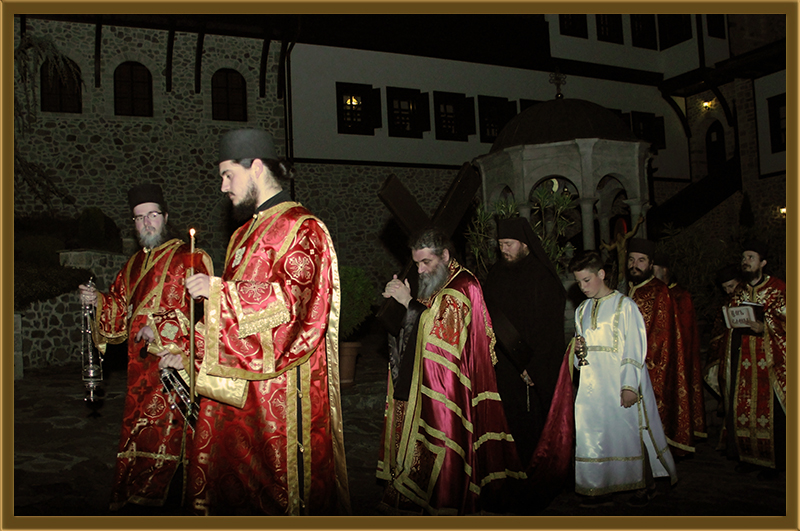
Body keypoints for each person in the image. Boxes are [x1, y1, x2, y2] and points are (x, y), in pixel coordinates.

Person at [161, 128, 350, 515]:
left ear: (257, 167)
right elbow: (226, 322)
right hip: (235, 397)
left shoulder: (303, 228)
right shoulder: (242, 236)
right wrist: (189, 352)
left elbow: (295, 308)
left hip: (279, 403)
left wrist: (219, 292)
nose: (223, 187)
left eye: (228, 175)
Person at [78, 183, 213, 513]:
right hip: (140, 374)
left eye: (152, 215)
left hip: (176, 369)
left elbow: (208, 314)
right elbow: (118, 312)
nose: (146, 223)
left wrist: (163, 332)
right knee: (141, 437)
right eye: (139, 218)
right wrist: (97, 300)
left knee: (176, 445)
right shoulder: (133, 265)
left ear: (165, 217)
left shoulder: (189, 257)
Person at [377, 228, 524, 515]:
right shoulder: (442, 279)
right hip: (436, 380)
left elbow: (440, 340)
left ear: (444, 255)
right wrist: (402, 306)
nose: (420, 270)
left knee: (444, 441)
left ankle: (447, 497)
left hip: (450, 387)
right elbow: (426, 317)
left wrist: (408, 303)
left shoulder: (461, 286)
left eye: (426, 262)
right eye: (417, 263)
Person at [569, 251, 677, 508]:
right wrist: (577, 353)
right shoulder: (582, 309)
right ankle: (600, 486)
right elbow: (580, 352)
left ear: (601, 274)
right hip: (593, 388)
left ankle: (645, 485)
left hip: (619, 382)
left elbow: (634, 348)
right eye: (579, 282)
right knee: (597, 436)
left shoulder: (625, 306)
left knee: (629, 432)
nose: (583, 287)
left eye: (587, 280)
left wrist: (629, 386)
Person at [483, 217, 566, 464]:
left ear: (525, 244)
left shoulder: (542, 277)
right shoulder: (496, 274)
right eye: (500, 244)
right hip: (504, 366)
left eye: (509, 244)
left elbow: (549, 327)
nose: (504, 249)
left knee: (536, 424)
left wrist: (532, 365)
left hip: (535, 364)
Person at [718, 239, 786, 480]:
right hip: (742, 360)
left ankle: (773, 463)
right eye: (744, 257)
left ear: (763, 263)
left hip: (770, 362)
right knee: (742, 408)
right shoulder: (740, 291)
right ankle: (747, 457)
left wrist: (764, 327)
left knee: (771, 414)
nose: (745, 262)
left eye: (750, 258)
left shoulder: (779, 289)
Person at [626, 238, 695, 456]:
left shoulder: (659, 291)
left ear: (650, 264)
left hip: (652, 365)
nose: (635, 265)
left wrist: (643, 359)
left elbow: (663, 334)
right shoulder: (626, 289)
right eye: (631, 260)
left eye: (641, 260)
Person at [652, 252, 707, 445]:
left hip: (678, 357)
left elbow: (685, 330)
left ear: (664, 270)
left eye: (654, 268)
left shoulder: (681, 295)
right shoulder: (652, 294)